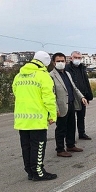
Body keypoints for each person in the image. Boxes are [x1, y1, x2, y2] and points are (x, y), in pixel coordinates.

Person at [12, 51, 57, 181]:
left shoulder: (19, 75)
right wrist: (52, 115)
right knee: (38, 146)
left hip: (21, 119)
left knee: (26, 147)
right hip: (37, 119)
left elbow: (15, 92)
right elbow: (49, 98)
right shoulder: (43, 76)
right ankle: (38, 172)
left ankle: (30, 172)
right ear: (45, 62)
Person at [50, 52, 88, 157]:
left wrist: (82, 97)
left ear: (65, 61)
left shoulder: (67, 73)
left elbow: (74, 88)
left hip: (71, 103)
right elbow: (51, 94)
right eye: (58, 61)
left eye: (62, 61)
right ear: (54, 63)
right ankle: (60, 149)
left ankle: (70, 145)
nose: (61, 63)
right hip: (61, 106)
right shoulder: (51, 76)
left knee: (72, 125)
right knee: (61, 128)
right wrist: (55, 108)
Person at [65, 51, 93, 140]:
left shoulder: (82, 68)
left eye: (79, 58)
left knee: (81, 116)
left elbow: (86, 82)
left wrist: (88, 95)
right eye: (75, 57)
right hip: (72, 97)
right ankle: (70, 137)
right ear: (71, 58)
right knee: (71, 119)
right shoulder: (67, 69)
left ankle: (82, 133)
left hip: (83, 96)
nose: (77, 59)